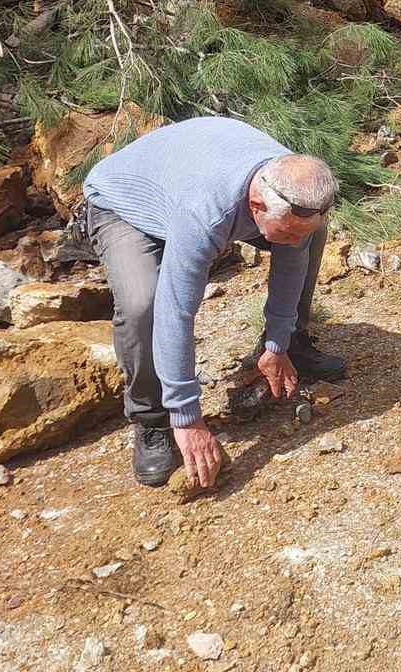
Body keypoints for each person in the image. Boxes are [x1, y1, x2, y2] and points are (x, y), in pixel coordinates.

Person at [82, 115, 344, 489]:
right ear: (256, 206)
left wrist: (276, 342)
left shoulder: (293, 186)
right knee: (145, 303)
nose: (290, 240)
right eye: (284, 231)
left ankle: (291, 348)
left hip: (190, 182)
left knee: (309, 238)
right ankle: (152, 419)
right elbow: (177, 311)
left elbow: (291, 259)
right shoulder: (205, 214)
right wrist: (187, 415)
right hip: (124, 205)